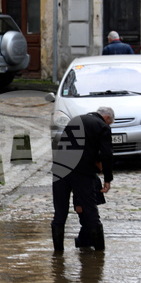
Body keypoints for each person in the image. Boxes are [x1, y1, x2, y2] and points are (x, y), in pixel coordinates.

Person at [51, 107, 115, 254]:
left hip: (60, 169)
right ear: (107, 119)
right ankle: (100, 254)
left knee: (60, 214)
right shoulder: (102, 127)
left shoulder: (75, 120)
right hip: (81, 171)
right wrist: (107, 178)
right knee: (91, 213)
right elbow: (107, 154)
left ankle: (58, 254)